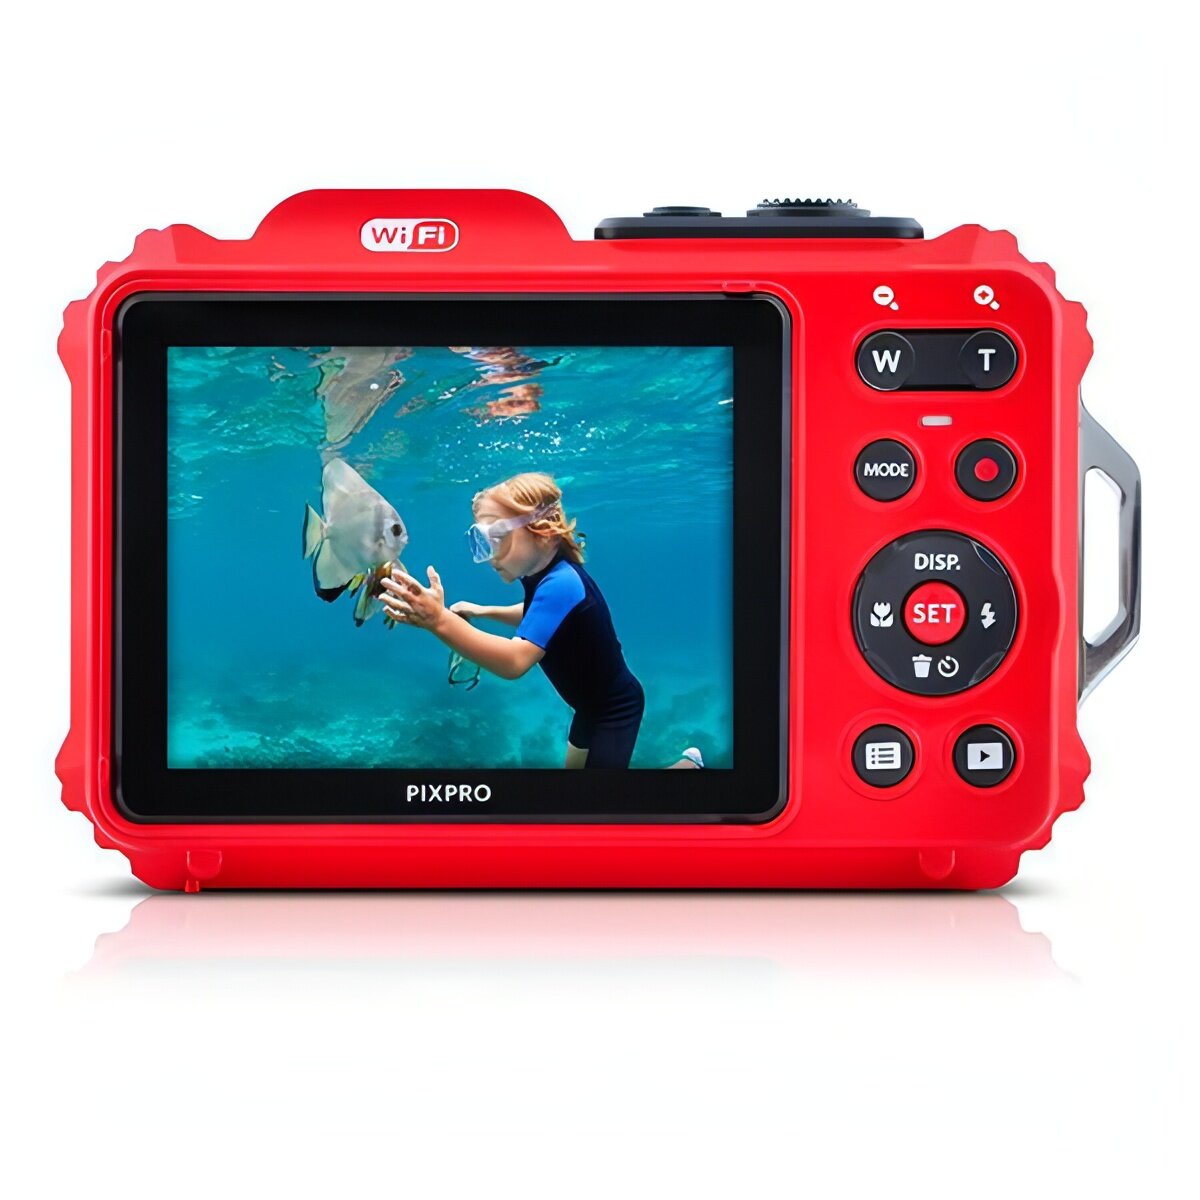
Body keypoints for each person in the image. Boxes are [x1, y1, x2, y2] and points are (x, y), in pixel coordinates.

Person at [380, 471, 701, 770]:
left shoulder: (561, 583)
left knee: (604, 805)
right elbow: (540, 616)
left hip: (614, 709)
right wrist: (481, 611)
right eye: (483, 541)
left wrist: (438, 620)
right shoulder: (543, 577)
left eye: (498, 537)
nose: (490, 555)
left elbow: (514, 662)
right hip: (588, 706)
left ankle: (688, 767)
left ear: (544, 531)